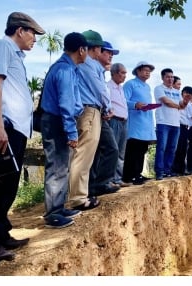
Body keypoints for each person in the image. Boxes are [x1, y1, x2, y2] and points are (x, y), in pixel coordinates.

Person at [0, 12, 45, 264]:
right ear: (19, 30)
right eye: (32, 34)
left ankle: (2, 234)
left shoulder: (14, 54)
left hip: (14, 128)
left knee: (9, 184)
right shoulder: (0, 47)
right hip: (3, 126)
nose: (34, 39)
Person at [40, 32, 88, 229]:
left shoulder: (66, 68)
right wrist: (71, 132)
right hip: (57, 121)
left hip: (56, 120)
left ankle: (58, 207)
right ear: (81, 50)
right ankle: (53, 213)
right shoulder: (65, 70)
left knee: (62, 165)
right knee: (57, 166)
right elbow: (66, 104)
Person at [67, 30, 107, 211]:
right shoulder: (88, 65)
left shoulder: (85, 64)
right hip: (89, 110)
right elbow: (100, 89)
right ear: (95, 48)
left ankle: (79, 194)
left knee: (83, 155)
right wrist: (109, 106)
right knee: (83, 154)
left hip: (89, 109)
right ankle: (78, 198)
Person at [88, 40, 120, 196]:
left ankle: (98, 183)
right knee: (106, 149)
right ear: (98, 51)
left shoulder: (100, 71)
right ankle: (98, 184)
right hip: (93, 112)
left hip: (101, 113)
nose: (111, 56)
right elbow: (99, 91)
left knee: (106, 149)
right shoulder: (91, 68)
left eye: (112, 54)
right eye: (108, 52)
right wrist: (108, 108)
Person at [122, 61, 157, 185]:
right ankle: (128, 176)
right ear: (138, 71)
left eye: (149, 71)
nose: (148, 73)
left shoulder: (147, 87)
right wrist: (135, 105)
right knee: (133, 149)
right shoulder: (130, 84)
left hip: (146, 121)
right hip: (135, 121)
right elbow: (123, 101)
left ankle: (138, 174)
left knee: (142, 149)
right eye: (145, 70)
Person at [153, 68, 188, 180]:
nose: (170, 79)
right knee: (161, 147)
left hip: (175, 124)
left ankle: (167, 170)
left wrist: (186, 101)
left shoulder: (177, 92)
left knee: (172, 148)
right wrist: (179, 106)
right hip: (163, 122)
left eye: (172, 77)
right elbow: (166, 102)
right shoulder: (159, 88)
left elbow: (182, 106)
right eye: (168, 77)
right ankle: (159, 171)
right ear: (163, 77)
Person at [107, 62, 129, 187]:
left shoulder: (121, 88)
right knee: (113, 151)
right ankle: (109, 180)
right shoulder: (108, 87)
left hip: (124, 121)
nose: (124, 76)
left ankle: (118, 179)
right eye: (122, 73)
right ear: (114, 73)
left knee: (121, 152)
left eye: (125, 73)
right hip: (114, 121)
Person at [171, 85, 192, 176]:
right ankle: (175, 169)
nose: (188, 95)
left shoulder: (189, 104)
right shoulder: (178, 100)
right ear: (182, 93)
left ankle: (182, 169)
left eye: (189, 94)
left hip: (185, 126)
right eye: (186, 93)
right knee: (178, 148)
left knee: (184, 148)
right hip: (178, 125)